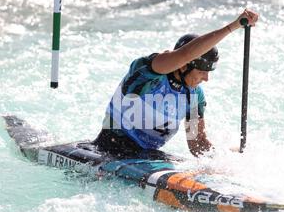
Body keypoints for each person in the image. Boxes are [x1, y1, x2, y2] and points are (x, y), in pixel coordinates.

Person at [93, 9, 259, 158]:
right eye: (202, 72)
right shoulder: (148, 73)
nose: (206, 79)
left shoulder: (194, 95)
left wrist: (230, 157)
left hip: (148, 156)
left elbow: (198, 145)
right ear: (184, 66)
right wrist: (233, 26)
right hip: (111, 148)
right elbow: (184, 54)